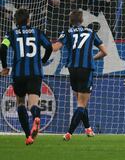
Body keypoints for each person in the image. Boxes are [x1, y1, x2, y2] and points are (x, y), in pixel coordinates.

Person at [52, 10, 107, 141]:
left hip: (73, 69)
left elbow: (55, 48)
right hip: (86, 69)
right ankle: (69, 133)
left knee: (80, 102)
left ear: (70, 21)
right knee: (82, 104)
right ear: (82, 20)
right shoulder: (91, 32)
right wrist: (92, 58)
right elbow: (104, 52)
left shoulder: (66, 32)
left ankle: (88, 129)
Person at [0, 8, 52, 145]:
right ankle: (36, 116)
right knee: (33, 103)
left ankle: (28, 136)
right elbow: (50, 47)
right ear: (29, 20)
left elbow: (3, 48)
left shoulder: (11, 34)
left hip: (18, 74)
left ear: (15, 21)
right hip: (35, 73)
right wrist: (43, 61)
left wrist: (4, 66)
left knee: (21, 103)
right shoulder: (37, 32)